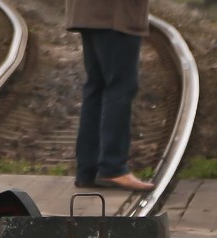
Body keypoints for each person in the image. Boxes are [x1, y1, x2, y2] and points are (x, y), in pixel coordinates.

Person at [65, 0, 155, 192]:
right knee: (120, 86)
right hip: (115, 14)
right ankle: (113, 167)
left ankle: (88, 170)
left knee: (96, 86)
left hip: (90, 12)